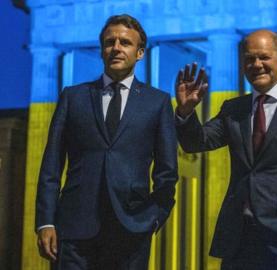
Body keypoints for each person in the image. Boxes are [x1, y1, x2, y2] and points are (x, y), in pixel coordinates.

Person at [175, 29, 277, 270]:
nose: (256, 64)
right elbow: (196, 142)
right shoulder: (233, 109)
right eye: (249, 59)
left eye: (263, 57)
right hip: (238, 240)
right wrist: (186, 112)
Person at [35, 14, 177, 269]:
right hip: (73, 229)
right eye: (110, 42)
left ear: (140, 52)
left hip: (132, 229)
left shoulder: (158, 102)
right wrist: (46, 221)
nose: (117, 48)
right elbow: (51, 165)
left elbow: (167, 172)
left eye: (125, 42)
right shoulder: (73, 97)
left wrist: (154, 218)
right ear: (101, 50)